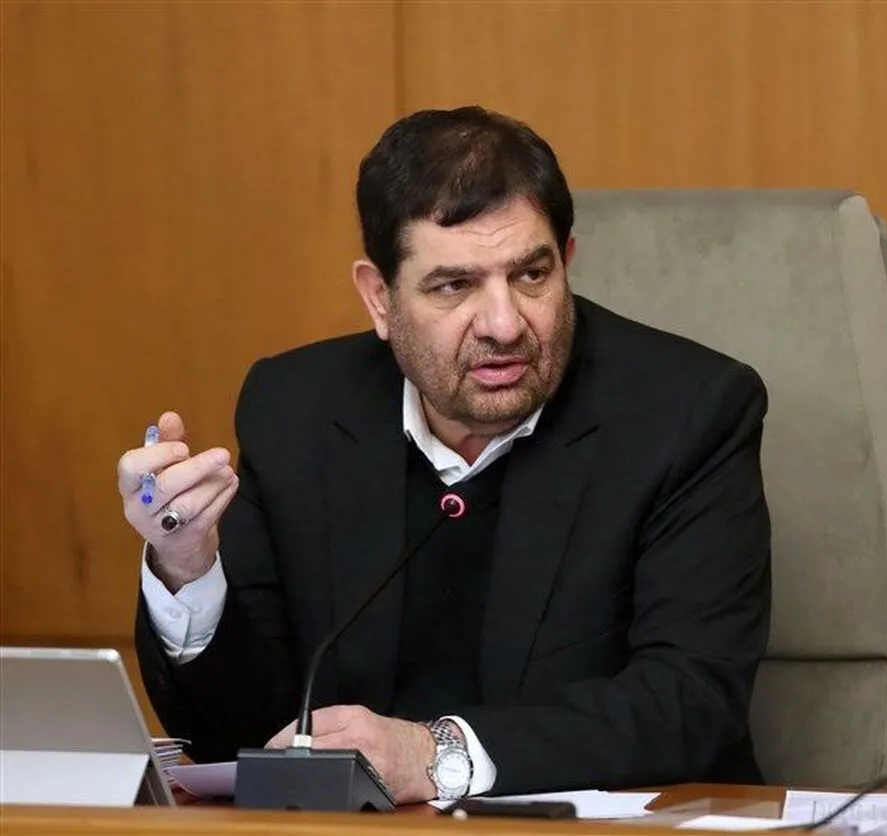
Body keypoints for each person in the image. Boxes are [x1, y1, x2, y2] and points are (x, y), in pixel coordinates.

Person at [117, 106, 772, 803]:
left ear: (568, 263)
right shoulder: (297, 409)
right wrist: (187, 566)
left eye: (532, 275)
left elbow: (690, 701)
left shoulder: (687, 412)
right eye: (454, 286)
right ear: (379, 298)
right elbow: (242, 732)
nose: (504, 325)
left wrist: (437, 755)